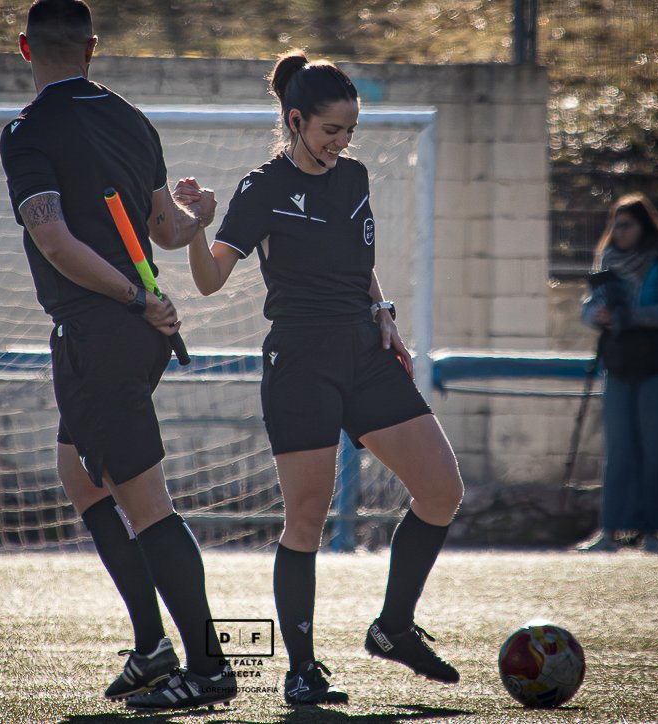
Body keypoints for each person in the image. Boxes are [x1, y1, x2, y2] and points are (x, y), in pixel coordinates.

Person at [178, 50, 464, 706]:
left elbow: (357, 259)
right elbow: (209, 278)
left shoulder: (356, 176)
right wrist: (196, 230)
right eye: (331, 130)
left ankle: (392, 628)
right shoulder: (262, 188)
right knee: (306, 521)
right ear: (296, 119)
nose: (342, 143)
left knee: (442, 490)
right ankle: (302, 671)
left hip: (366, 355)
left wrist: (384, 311)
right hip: (300, 365)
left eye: (350, 132)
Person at [0, 0, 235, 710]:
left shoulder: (27, 131)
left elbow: (55, 242)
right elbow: (166, 227)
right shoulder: (130, 116)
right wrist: (203, 216)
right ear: (92, 49)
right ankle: (153, 647)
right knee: (81, 478)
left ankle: (208, 666)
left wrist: (133, 298)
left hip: (103, 333)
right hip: (132, 333)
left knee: (145, 501)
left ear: (24, 47)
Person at [577, 193, 658, 554]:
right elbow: (588, 307)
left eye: (627, 225)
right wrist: (598, 315)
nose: (619, 231)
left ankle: (655, 532)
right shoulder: (608, 264)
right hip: (621, 365)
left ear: (644, 227)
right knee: (618, 449)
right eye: (616, 224)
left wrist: (628, 316)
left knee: (657, 448)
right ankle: (610, 531)